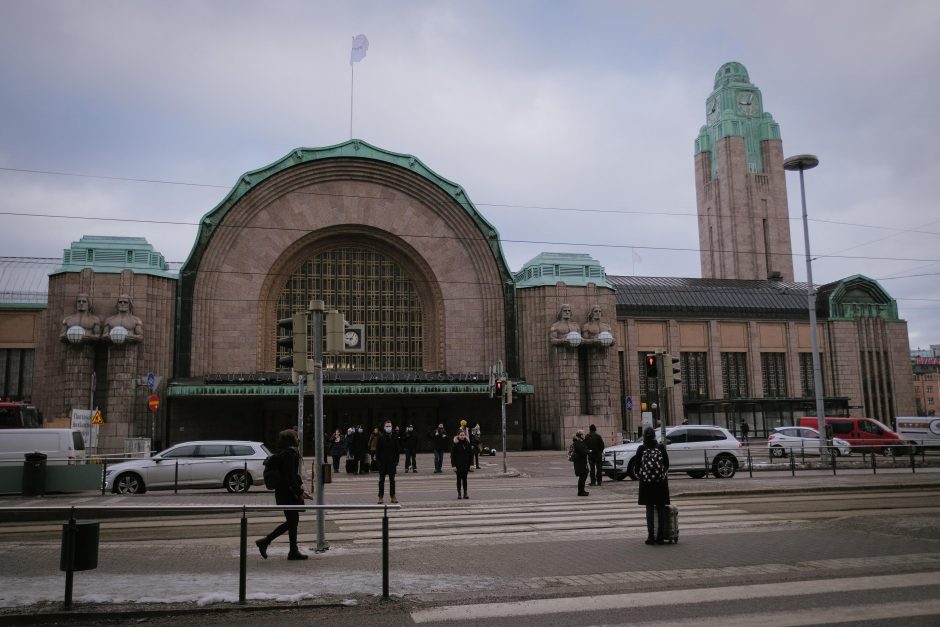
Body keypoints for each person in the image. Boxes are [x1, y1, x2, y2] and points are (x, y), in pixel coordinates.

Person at [256, 429, 309, 560]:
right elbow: (290, 477)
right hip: (289, 493)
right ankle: (266, 541)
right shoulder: (290, 454)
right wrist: (300, 492)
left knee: (293, 521)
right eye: (296, 437)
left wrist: (300, 486)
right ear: (292, 439)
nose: (298, 439)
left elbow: (290, 475)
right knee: (292, 521)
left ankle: (293, 551)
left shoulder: (282, 452)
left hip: (283, 492)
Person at [636, 427, 670, 545]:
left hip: (647, 484)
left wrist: (644, 475)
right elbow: (666, 464)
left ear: (644, 436)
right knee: (661, 508)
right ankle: (660, 537)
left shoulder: (641, 448)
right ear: (655, 436)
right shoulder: (660, 447)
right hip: (660, 483)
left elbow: (637, 467)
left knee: (649, 508)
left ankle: (651, 537)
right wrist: (660, 474)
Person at [376, 419, 399, 504]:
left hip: (392, 462)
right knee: (381, 480)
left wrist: (397, 461)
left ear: (391, 427)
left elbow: (397, 450)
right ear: (384, 427)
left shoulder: (394, 437)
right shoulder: (380, 437)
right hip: (382, 463)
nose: (388, 427)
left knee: (392, 480)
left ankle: (393, 496)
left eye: (389, 426)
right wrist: (378, 462)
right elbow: (377, 451)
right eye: (387, 426)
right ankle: (380, 497)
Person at [451, 428, 474, 499]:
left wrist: (471, 464)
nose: (462, 436)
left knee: (465, 479)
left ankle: (465, 493)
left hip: (466, 464)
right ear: (458, 436)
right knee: (458, 479)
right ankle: (459, 494)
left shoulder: (467, 444)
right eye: (461, 435)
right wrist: (453, 465)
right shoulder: (455, 444)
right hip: (458, 465)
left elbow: (471, 454)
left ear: (465, 436)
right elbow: (452, 456)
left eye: (463, 435)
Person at [571, 430, 590, 496]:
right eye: (583, 434)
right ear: (581, 435)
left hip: (581, 462)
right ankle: (580, 492)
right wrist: (588, 451)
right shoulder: (578, 442)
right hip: (580, 463)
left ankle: (582, 490)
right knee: (582, 476)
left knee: (583, 476)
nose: (584, 435)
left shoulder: (580, 442)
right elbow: (582, 451)